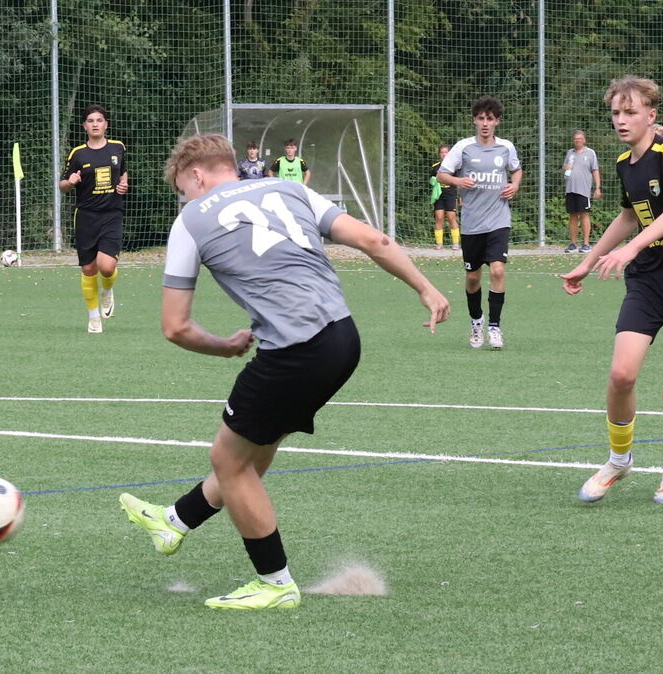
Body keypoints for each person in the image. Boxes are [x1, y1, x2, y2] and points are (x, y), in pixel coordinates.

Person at [119, 134, 449, 610]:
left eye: (182, 190)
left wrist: (225, 347)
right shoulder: (290, 189)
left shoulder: (191, 220)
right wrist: (425, 287)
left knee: (229, 461)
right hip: (343, 338)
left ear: (196, 175)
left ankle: (274, 583)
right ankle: (175, 521)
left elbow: (175, 327)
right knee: (253, 449)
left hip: (295, 351)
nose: (184, 199)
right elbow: (374, 240)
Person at [561, 75, 663, 505]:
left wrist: (631, 248)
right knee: (621, 375)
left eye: (630, 112)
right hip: (648, 280)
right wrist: (588, 261)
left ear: (651, 115)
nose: (621, 119)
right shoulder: (622, 164)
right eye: (616, 112)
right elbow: (630, 216)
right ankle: (619, 460)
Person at [437, 95, 523, 350]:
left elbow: (516, 169)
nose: (485, 123)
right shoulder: (463, 147)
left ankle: (495, 327)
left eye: (490, 119)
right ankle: (477, 322)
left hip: (499, 220)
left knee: (497, 271)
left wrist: (515, 185)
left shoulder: (506, 147)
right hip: (472, 223)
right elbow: (442, 174)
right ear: (474, 120)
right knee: (473, 278)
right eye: (481, 118)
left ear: (497, 121)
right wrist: (458, 181)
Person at [60, 104, 128, 333]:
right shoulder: (78, 154)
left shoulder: (118, 148)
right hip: (86, 216)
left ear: (106, 124)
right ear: (84, 126)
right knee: (89, 269)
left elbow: (123, 172)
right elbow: (62, 185)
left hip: (112, 214)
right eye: (91, 121)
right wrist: (70, 182)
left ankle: (107, 291)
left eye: (99, 120)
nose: (95, 124)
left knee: (106, 267)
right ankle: (93, 317)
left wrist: (124, 184)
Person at [562, 130, 602, 253]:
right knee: (572, 215)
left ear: (584, 140)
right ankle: (573, 244)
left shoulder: (590, 153)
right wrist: (566, 167)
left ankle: (585, 244)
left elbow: (595, 170)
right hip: (570, 189)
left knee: (584, 214)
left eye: (580, 138)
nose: (577, 141)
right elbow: (564, 167)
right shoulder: (570, 153)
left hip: (583, 190)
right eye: (576, 139)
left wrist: (598, 187)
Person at [430, 144, 460, 250]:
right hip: (439, 194)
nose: (444, 154)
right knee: (439, 217)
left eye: (446, 152)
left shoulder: (455, 166)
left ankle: (455, 243)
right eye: (442, 152)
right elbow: (432, 179)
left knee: (451, 217)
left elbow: (458, 181)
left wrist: (460, 196)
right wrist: (434, 181)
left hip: (450, 193)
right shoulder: (435, 166)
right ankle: (439, 243)